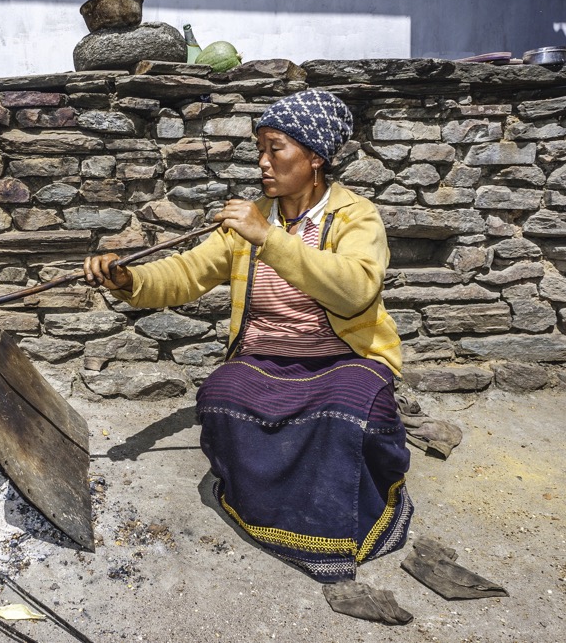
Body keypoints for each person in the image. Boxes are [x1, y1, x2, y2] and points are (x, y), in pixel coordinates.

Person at [83, 89, 412, 583]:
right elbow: (186, 273)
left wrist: (269, 239)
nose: (262, 162)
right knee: (221, 396)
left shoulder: (353, 216)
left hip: (344, 358)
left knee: (348, 410)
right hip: (265, 356)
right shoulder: (254, 219)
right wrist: (130, 279)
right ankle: (270, 510)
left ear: (316, 156)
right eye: (260, 149)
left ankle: (341, 523)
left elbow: (356, 291)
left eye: (276, 149)